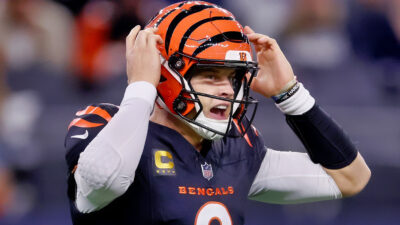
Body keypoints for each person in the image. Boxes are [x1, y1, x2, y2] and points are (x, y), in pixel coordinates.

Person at [64, 1, 371, 224]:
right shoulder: (104, 125)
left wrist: (291, 94)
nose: (228, 90)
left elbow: (350, 178)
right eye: (211, 74)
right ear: (165, 72)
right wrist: (142, 86)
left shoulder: (236, 148)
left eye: (235, 77)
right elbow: (106, 179)